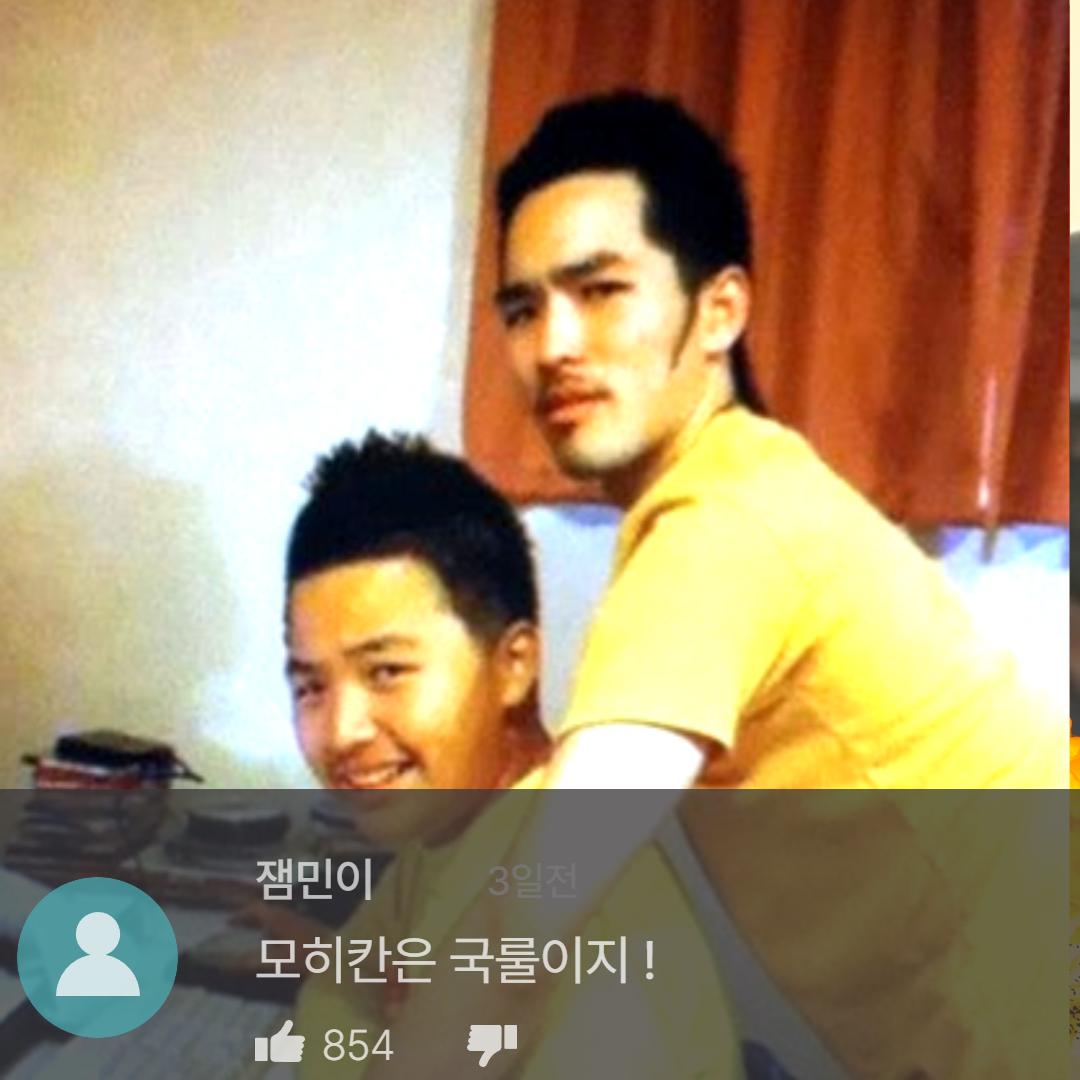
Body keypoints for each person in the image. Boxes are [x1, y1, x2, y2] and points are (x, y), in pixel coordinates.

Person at [366, 92, 1062, 1080]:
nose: (553, 344)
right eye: (523, 310)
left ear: (721, 310)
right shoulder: (739, 483)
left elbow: (538, 903)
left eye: (601, 290)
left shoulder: (719, 532)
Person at [282, 432, 745, 1080]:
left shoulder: (581, 926)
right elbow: (337, 997)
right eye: (310, 687)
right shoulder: (448, 824)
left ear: (514, 665)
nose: (341, 732)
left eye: (386, 672)